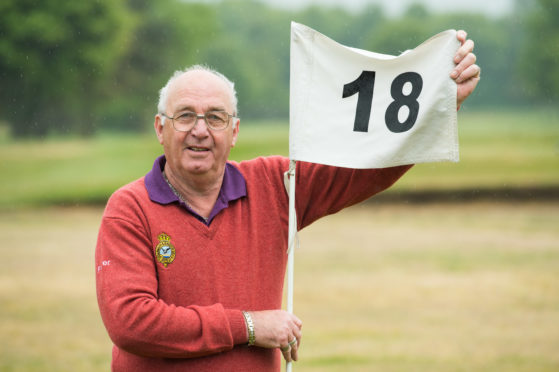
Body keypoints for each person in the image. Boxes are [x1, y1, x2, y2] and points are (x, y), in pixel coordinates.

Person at [95, 30, 480, 371]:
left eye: (215, 117)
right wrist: (248, 326)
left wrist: (439, 103)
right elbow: (131, 323)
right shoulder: (130, 208)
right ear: (161, 128)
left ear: (234, 132)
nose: (199, 130)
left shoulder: (276, 185)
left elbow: (364, 168)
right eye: (185, 116)